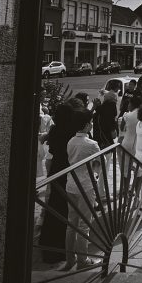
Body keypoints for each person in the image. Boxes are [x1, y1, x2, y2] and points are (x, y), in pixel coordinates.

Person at [39, 98, 82, 263]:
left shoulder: (55, 130)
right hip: (67, 170)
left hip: (56, 168)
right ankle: (63, 248)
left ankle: (50, 244)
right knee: (65, 208)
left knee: (54, 205)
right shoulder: (71, 131)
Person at [63, 106, 101, 270]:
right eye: (91, 122)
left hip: (71, 184)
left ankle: (70, 259)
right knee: (84, 225)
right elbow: (99, 164)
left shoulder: (71, 141)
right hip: (86, 185)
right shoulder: (91, 144)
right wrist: (97, 176)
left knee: (71, 223)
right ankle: (82, 260)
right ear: (86, 125)